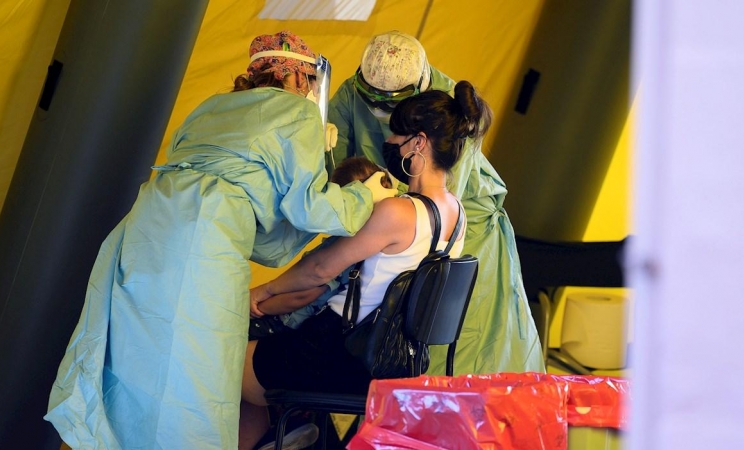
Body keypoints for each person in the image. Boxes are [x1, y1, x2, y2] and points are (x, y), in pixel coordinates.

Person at [44, 31, 395, 450]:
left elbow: (264, 235)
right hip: (200, 239)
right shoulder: (297, 113)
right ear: (301, 79)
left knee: (134, 362)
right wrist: (361, 195)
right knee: (197, 372)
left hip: (146, 229)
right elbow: (309, 210)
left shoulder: (210, 106)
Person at [239, 81, 486, 449]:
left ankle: (283, 430)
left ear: (418, 143)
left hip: (337, 351)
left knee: (223, 359)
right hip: (395, 363)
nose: (389, 144)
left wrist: (263, 290)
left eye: (396, 136)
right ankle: (296, 430)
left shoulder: (398, 211)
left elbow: (320, 270)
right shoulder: (457, 214)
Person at [327, 30, 545, 375]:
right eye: (375, 104)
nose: (384, 120)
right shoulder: (350, 93)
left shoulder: (451, 109)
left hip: (456, 230)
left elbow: (441, 191)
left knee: (459, 353)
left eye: (393, 110)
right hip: (397, 225)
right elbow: (332, 173)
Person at [247, 157, 393, 340]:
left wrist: (259, 308)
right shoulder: (376, 240)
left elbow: (304, 295)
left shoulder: (345, 249)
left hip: (287, 323)